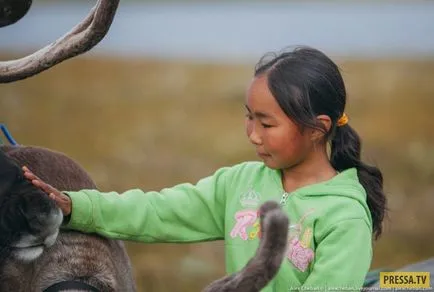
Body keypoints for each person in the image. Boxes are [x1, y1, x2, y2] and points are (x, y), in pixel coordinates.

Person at [23, 46, 387, 291]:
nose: (252, 135)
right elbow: (158, 212)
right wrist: (77, 206)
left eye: (267, 124)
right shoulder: (240, 183)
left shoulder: (345, 218)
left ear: (318, 128)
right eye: (248, 118)